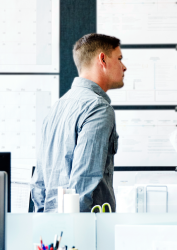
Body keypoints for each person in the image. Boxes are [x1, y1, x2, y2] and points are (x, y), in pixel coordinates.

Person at [30, 33, 126, 212]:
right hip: (84, 231)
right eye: (119, 59)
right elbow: (84, 184)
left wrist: (44, 223)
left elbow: (38, 183)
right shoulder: (98, 108)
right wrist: (77, 234)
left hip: (53, 232)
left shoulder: (56, 107)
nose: (124, 66)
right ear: (102, 60)